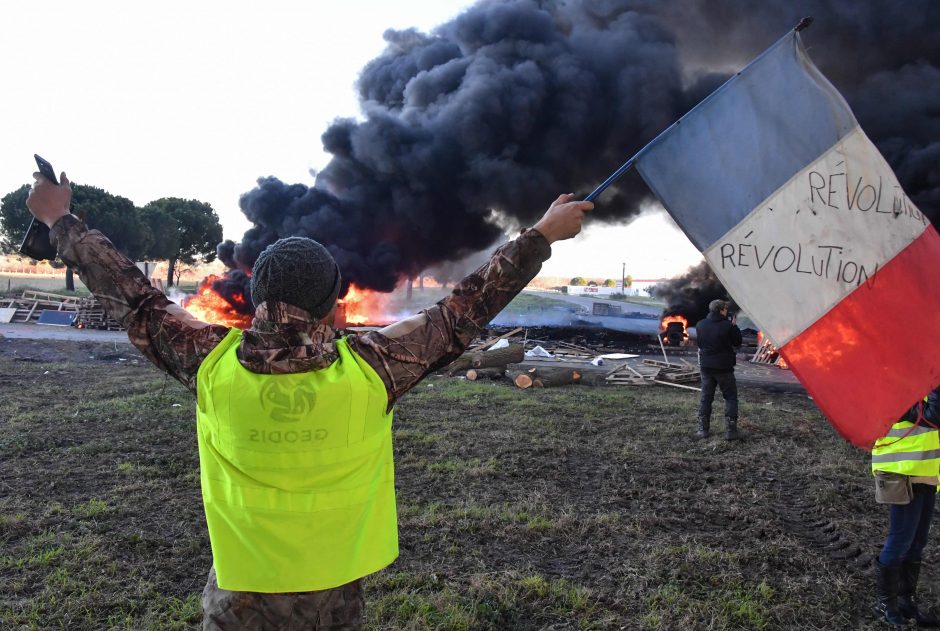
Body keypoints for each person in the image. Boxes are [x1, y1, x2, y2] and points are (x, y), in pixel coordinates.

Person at [26, 170, 593, 630]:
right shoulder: (373, 369)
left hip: (239, 599)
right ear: (332, 305)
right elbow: (461, 311)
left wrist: (59, 219)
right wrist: (539, 235)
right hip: (335, 597)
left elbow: (135, 297)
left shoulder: (210, 363)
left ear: (256, 298)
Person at [871, 386, 940, 628]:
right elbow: (933, 416)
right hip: (901, 474)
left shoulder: (921, 386)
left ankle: (905, 601)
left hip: (926, 474)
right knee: (900, 541)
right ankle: (885, 602)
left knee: (917, 542)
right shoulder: (893, 389)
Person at [694, 299, 742, 440]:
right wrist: (734, 326)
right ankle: (731, 432)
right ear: (722, 310)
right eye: (725, 309)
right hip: (724, 368)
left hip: (706, 366)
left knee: (706, 398)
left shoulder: (700, 324)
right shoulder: (728, 326)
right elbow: (737, 342)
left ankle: (703, 430)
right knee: (730, 397)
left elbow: (701, 343)